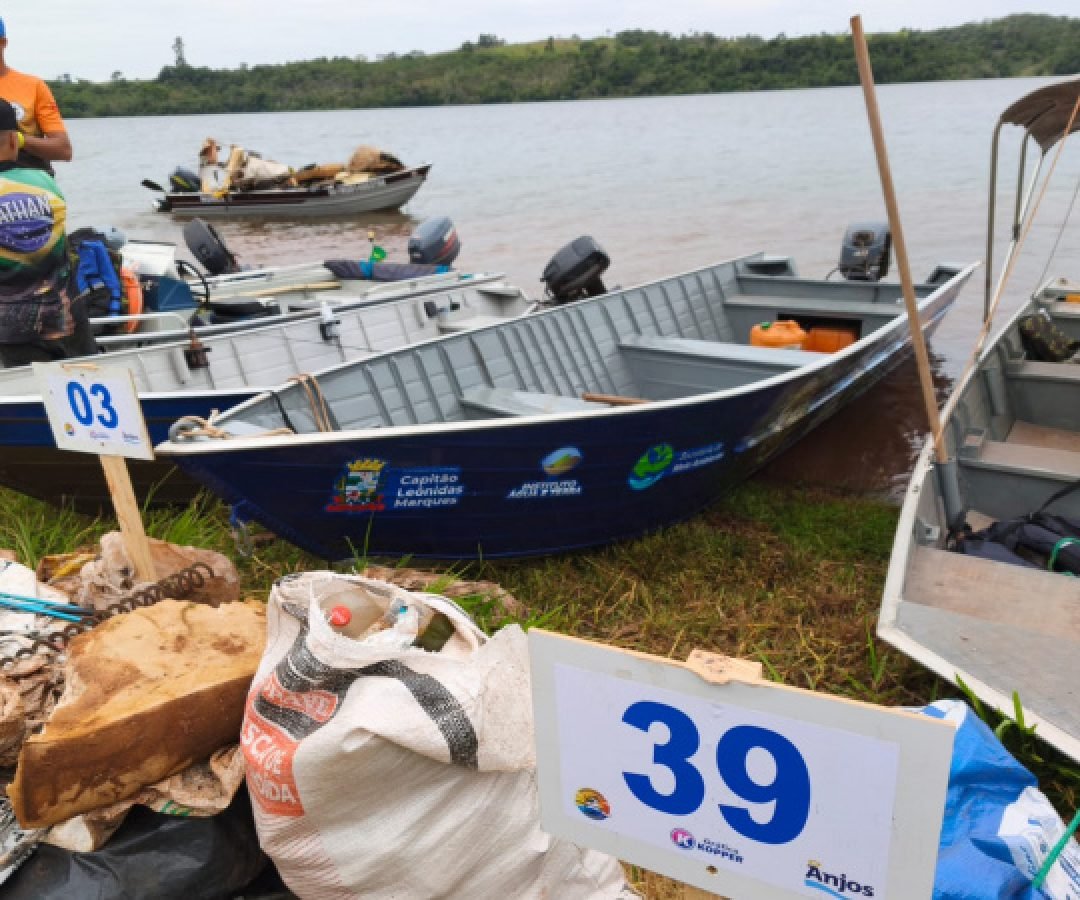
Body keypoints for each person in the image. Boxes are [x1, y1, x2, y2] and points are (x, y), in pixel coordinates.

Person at [0, 97, 92, 367]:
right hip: (68, 317)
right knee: (87, 376)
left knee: (33, 395)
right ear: (15, 141)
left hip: (12, 330)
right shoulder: (44, 181)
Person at [0, 17, 72, 174]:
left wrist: (18, 140)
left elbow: (63, 149)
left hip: (31, 187)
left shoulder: (33, 86)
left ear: (3, 43)